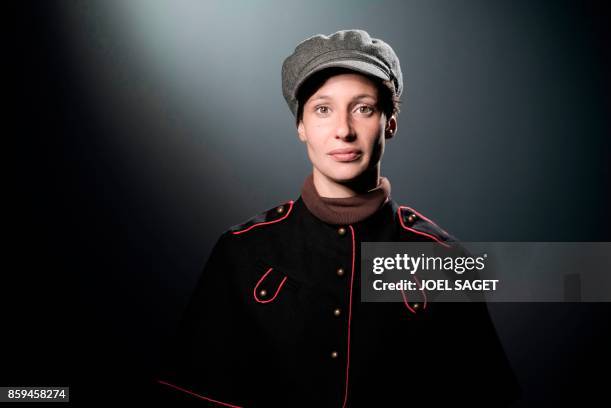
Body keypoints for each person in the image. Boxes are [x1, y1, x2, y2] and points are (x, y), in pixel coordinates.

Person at [156, 29, 520, 407]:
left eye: (363, 108)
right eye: (323, 109)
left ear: (389, 123)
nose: (343, 130)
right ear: (301, 126)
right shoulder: (242, 252)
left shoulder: (442, 260)